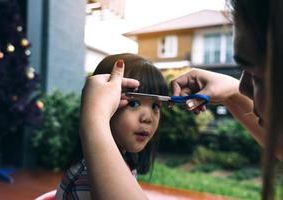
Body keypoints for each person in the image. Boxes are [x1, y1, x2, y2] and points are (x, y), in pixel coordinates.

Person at [76, 1, 282, 200]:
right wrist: (231, 92)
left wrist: (93, 117)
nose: (243, 88)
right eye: (134, 102)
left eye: (257, 74)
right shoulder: (89, 181)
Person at [55, 53, 168, 199]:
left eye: (155, 106)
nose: (148, 118)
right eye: (133, 103)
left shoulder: (122, 162)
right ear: (103, 104)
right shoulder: (88, 180)